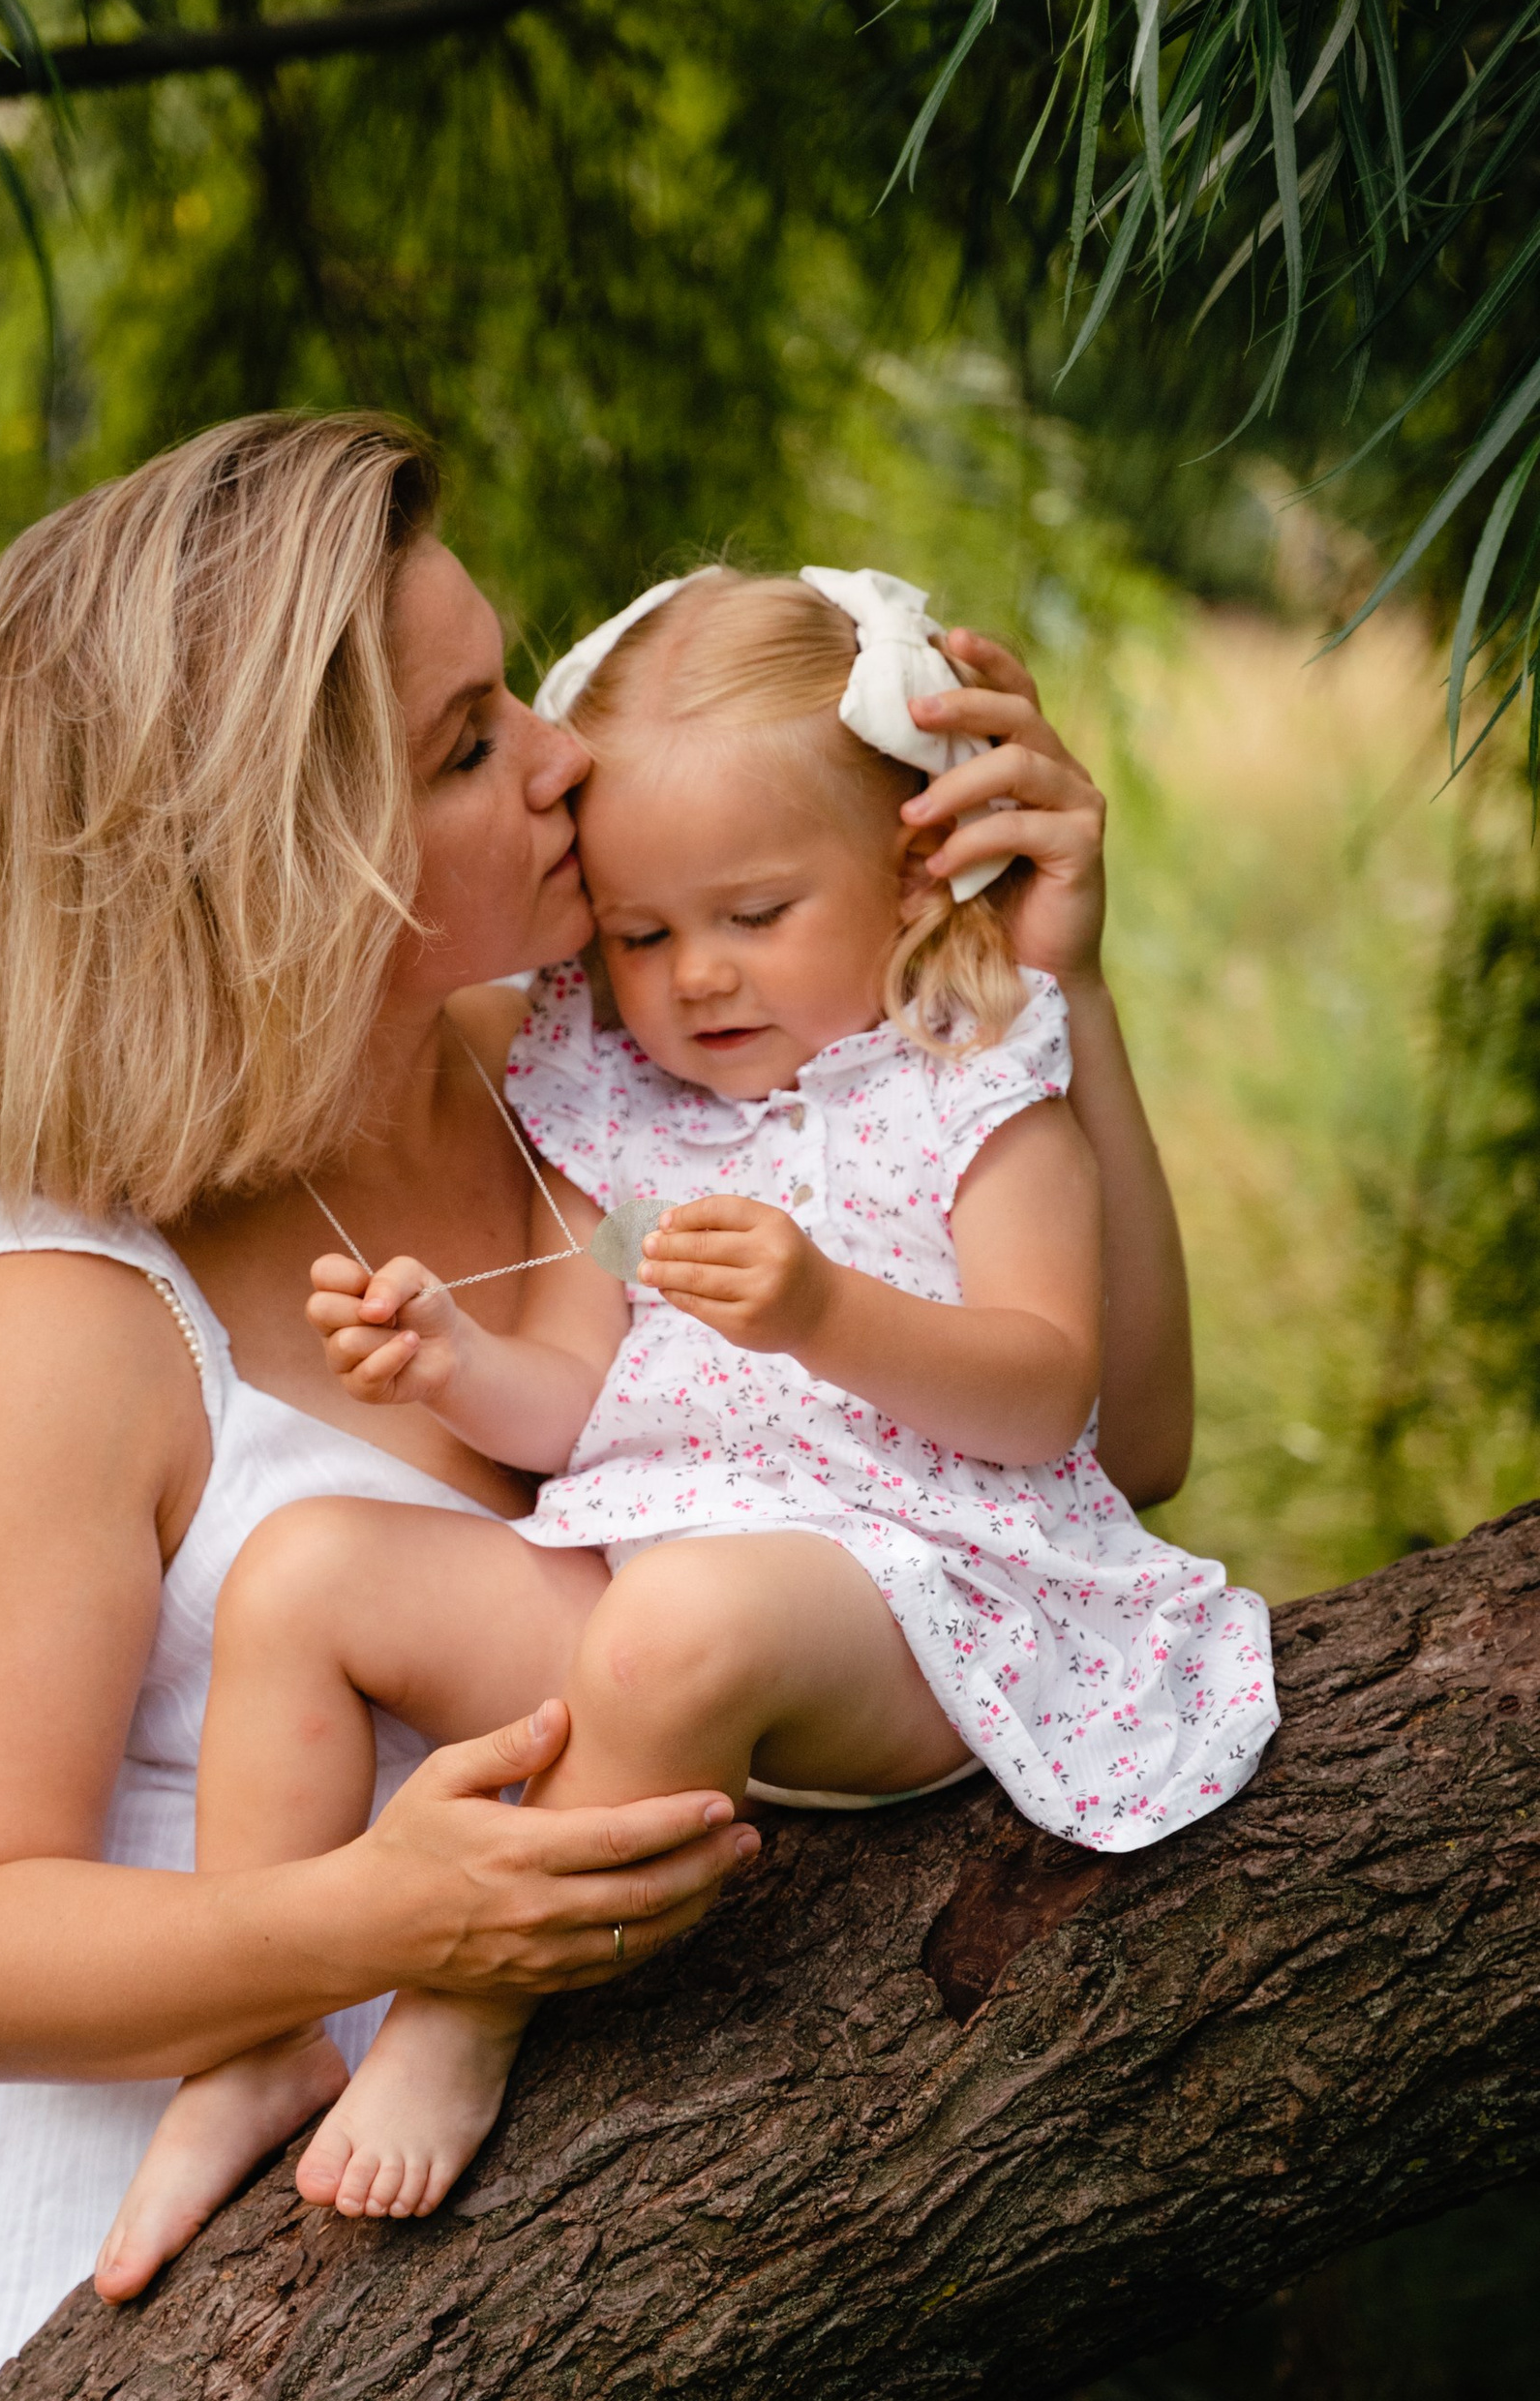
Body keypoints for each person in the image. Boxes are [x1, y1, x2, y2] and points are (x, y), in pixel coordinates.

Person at [0, 421, 1195, 2401]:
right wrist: (383, 1923)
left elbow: (1122, 1441)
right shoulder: (58, 1320)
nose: (563, 760)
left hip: (538, 2335)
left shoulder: (609, 1072)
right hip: (99, 2322)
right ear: (283, 859)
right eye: (471, 744)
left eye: (516, 684)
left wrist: (1046, 1000)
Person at [96, 560, 1274, 2298]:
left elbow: (1051, 1398)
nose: (696, 978)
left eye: (754, 913)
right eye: (643, 935)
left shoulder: (972, 1079)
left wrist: (825, 1315)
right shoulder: (618, 1099)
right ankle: (257, 2038)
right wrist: (446, 1361)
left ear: (909, 866)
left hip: (907, 1596)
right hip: (648, 1596)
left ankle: (462, 2010)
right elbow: (581, 1398)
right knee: (304, 1573)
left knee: (689, 1617)